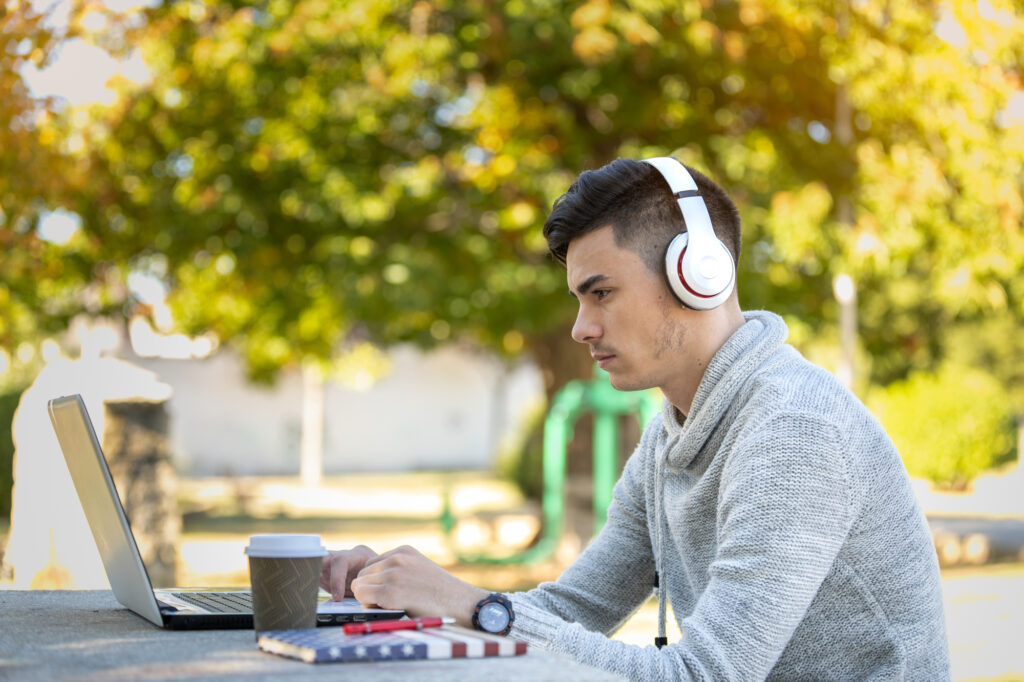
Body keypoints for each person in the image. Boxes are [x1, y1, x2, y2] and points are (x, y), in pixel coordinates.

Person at [321, 157, 950, 680]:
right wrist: (406, 595)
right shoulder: (671, 431)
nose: (581, 328)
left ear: (698, 275)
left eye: (601, 293)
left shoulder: (794, 428)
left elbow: (706, 675)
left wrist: (472, 606)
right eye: (578, 299)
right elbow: (572, 611)